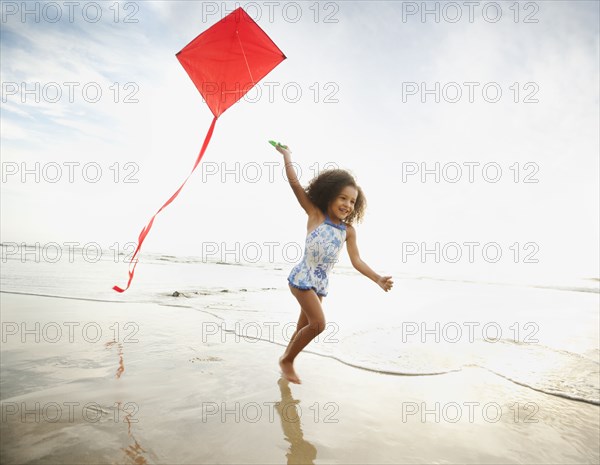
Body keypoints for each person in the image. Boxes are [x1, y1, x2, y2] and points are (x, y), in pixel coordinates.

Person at [274, 144, 393, 384]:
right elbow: (295, 184)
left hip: (318, 283)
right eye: (343, 198)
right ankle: (287, 361)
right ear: (329, 196)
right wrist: (287, 156)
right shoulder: (315, 214)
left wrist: (377, 278)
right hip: (302, 278)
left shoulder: (348, 231)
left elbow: (356, 260)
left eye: (352, 201)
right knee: (318, 324)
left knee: (304, 326)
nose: (347, 205)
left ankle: (286, 358)